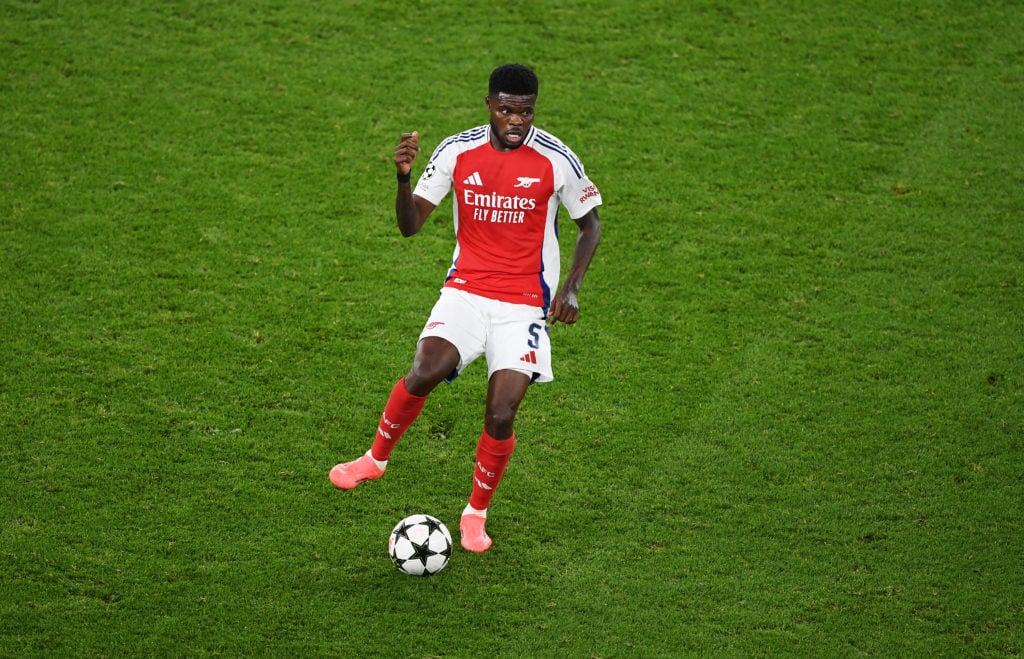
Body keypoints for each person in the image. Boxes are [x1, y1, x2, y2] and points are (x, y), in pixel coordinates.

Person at [329, 63, 602, 553]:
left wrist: (572, 288)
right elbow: (411, 225)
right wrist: (402, 178)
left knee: (501, 412)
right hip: (467, 291)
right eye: (506, 110)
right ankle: (375, 459)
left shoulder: (557, 159)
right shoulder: (457, 151)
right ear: (489, 107)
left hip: (524, 305)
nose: (516, 120)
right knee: (425, 370)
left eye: (525, 111)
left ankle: (475, 514)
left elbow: (591, 225)